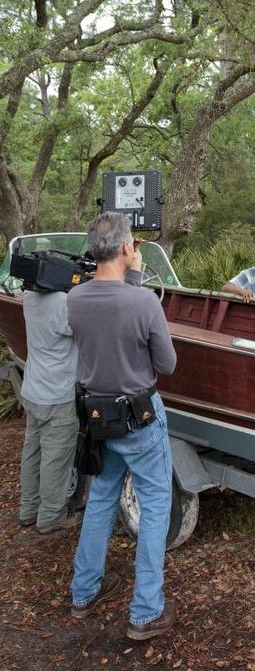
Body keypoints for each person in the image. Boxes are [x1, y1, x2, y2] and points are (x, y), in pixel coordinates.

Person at [68, 212, 177, 641]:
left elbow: (105, 311)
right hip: (139, 421)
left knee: (100, 500)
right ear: (127, 248)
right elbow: (167, 364)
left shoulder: (73, 298)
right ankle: (146, 611)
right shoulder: (144, 301)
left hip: (96, 419)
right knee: (154, 507)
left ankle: (84, 591)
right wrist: (137, 278)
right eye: (134, 245)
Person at [19, 276, 80, 534]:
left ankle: (28, 510)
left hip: (34, 390)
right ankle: (51, 518)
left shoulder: (29, 300)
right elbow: (87, 328)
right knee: (56, 458)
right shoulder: (63, 303)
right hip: (58, 395)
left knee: (32, 452)